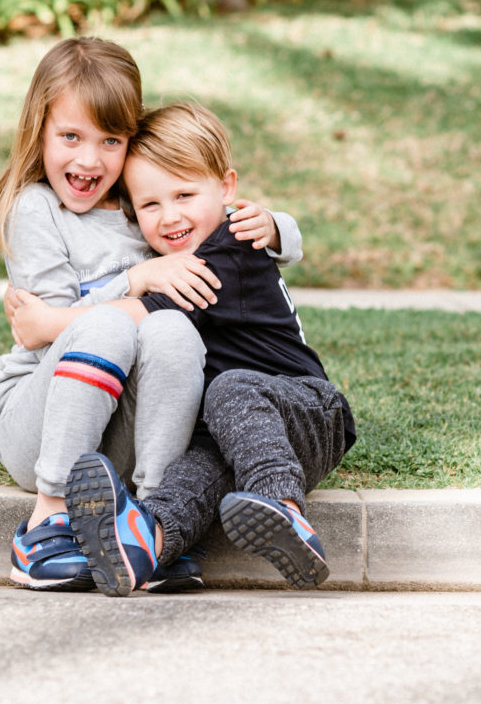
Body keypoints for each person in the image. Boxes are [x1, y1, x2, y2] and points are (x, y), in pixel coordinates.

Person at [0, 37, 303, 591]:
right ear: (39, 131)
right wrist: (136, 278)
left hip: (122, 429)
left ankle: (150, 524)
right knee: (111, 322)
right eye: (71, 137)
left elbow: (218, 218)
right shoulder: (37, 209)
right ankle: (47, 518)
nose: (89, 160)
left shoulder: (143, 201)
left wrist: (276, 226)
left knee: (171, 329)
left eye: (111, 140)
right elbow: (46, 332)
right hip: (41, 421)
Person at [43, 100, 355, 596]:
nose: (170, 217)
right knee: (190, 478)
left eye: (185, 194)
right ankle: (143, 546)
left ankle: (286, 513)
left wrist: (49, 321)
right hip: (230, 434)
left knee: (229, 389)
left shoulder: (229, 246)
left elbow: (137, 313)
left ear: (227, 188)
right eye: (150, 205)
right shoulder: (182, 252)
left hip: (308, 412)